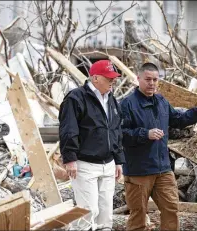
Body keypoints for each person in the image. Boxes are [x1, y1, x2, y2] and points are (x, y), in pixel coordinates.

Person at [120, 62, 197, 231]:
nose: (152, 83)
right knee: (138, 214)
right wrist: (145, 134)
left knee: (171, 208)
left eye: (155, 80)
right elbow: (119, 134)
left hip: (163, 169)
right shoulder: (127, 104)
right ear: (138, 79)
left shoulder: (161, 101)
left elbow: (179, 120)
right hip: (138, 171)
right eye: (148, 79)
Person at [58, 60, 125, 230]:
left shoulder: (111, 99)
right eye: (109, 78)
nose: (113, 81)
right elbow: (68, 129)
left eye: (114, 78)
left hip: (108, 164)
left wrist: (118, 160)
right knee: (88, 212)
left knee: (105, 215)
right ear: (95, 78)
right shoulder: (75, 98)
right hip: (85, 164)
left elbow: (115, 130)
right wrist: (70, 158)